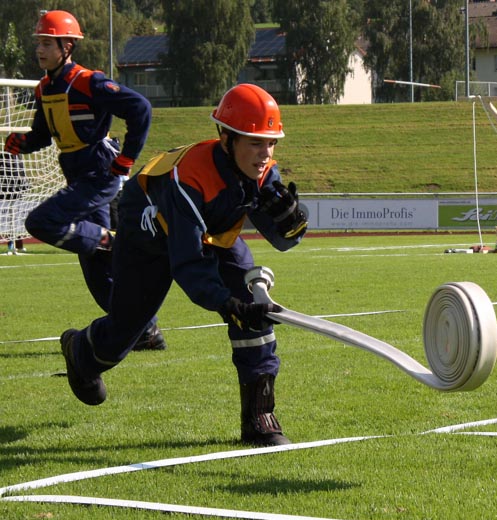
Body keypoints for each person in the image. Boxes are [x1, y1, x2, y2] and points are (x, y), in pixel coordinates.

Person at [59, 83, 308, 447]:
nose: (265, 153)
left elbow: (283, 239)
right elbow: (188, 262)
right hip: (149, 238)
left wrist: (293, 222)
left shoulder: (263, 171)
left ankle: (259, 416)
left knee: (253, 307)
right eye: (256, 142)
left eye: (271, 142)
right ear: (227, 138)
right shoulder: (188, 179)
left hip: (214, 237)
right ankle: (80, 351)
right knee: (125, 332)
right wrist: (225, 304)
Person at [3, 10, 164, 349]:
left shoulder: (88, 81)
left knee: (40, 221)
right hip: (76, 172)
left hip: (99, 171)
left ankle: (110, 239)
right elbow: (43, 135)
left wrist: (126, 160)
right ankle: (146, 331)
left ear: (68, 46)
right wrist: (23, 143)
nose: (40, 50)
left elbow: (141, 109)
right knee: (98, 275)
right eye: (39, 44)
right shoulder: (45, 88)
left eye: (48, 43)